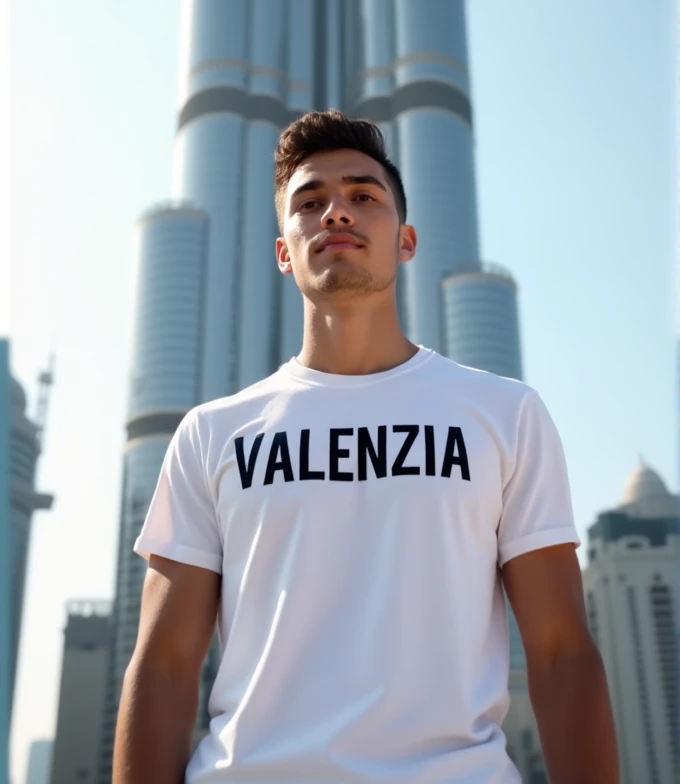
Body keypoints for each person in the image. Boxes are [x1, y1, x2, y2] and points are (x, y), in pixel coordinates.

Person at [113, 110, 619, 784]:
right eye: (310, 202)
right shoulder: (212, 434)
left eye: (363, 197)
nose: (336, 214)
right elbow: (165, 664)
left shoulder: (505, 414)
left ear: (405, 240)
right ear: (284, 250)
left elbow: (561, 653)